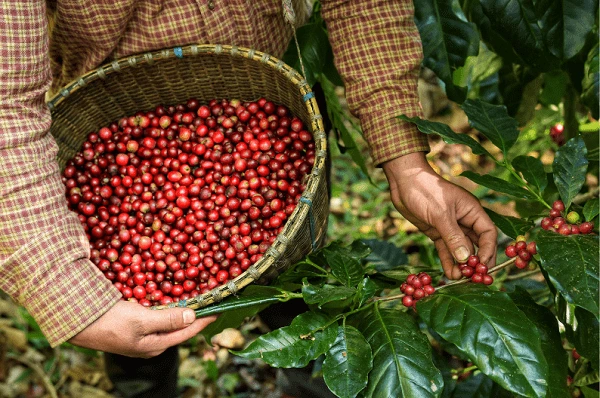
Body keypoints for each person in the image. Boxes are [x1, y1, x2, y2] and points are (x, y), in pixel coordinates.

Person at [0, 0, 497, 395]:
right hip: (109, 95)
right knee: (133, 336)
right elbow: (7, 104)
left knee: (304, 299)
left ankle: (312, 386)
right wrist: (69, 293)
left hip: (269, 84)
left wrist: (406, 160)